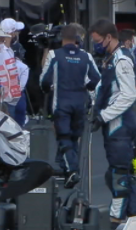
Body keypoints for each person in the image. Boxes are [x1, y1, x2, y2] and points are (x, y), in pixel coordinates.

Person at [89, 19, 136, 223]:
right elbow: (104, 88)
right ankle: (135, 216)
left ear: (109, 37)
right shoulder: (109, 59)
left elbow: (128, 95)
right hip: (113, 125)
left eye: (98, 40)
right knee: (122, 172)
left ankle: (115, 218)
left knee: (118, 173)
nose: (96, 44)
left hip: (120, 125)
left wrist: (102, 116)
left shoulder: (121, 59)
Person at [40, 24, 101, 188]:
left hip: (61, 103)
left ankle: (72, 169)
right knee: (74, 137)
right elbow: (96, 78)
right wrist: (86, 87)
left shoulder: (55, 55)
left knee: (64, 136)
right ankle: (66, 167)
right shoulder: (86, 56)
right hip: (80, 103)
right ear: (78, 39)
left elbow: (44, 80)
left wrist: (47, 90)